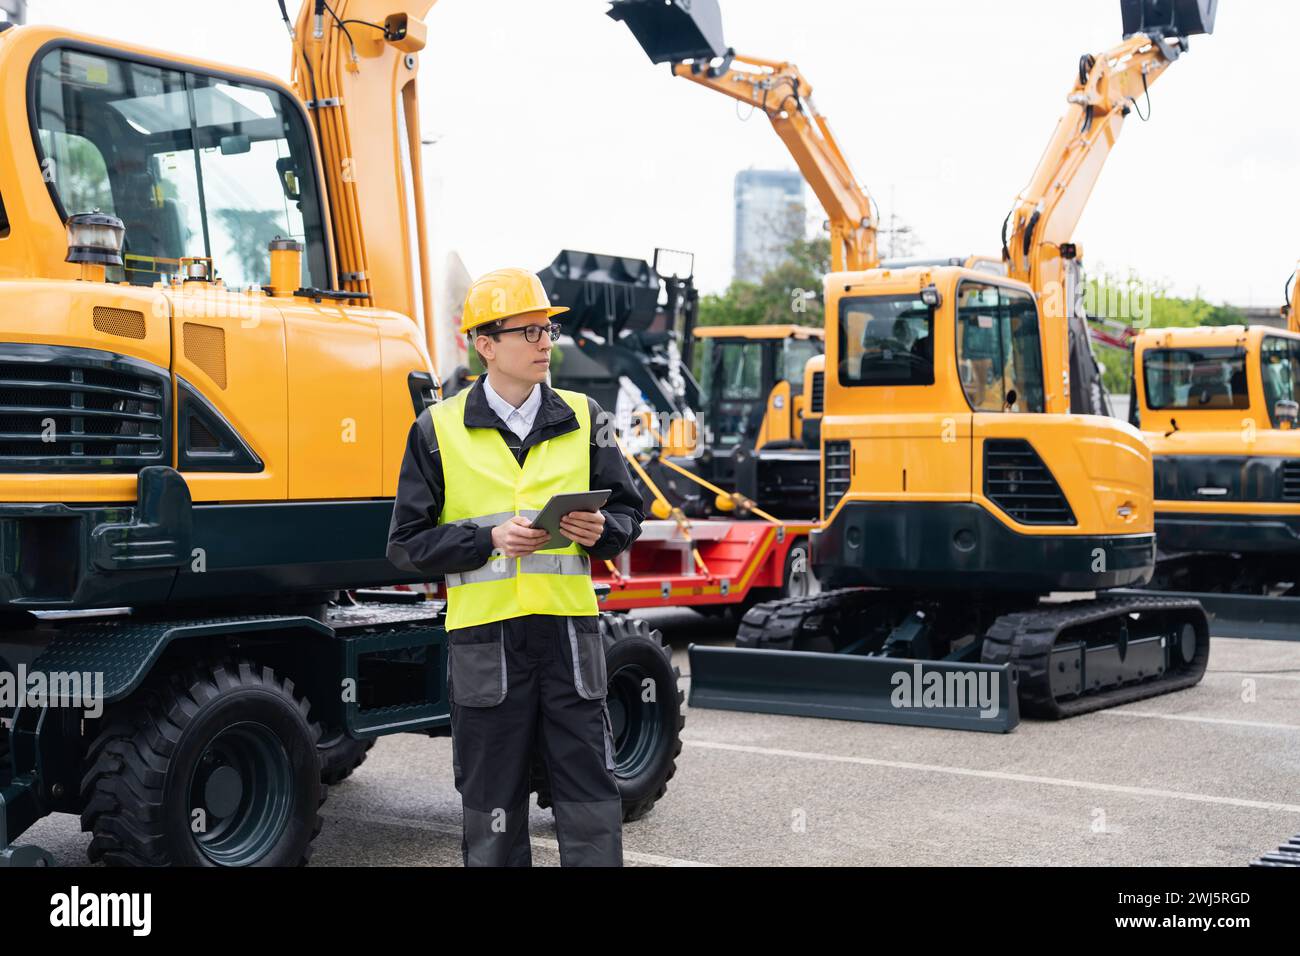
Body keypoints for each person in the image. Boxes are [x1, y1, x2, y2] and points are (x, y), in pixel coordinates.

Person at [386, 267, 645, 867]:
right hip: (486, 643)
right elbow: (405, 545)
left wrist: (602, 532)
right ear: (485, 344)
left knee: (589, 794)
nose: (544, 343)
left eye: (547, 329)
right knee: (491, 799)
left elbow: (630, 518)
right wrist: (487, 537)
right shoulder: (435, 430)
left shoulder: (590, 419)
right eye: (527, 332)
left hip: (569, 637)